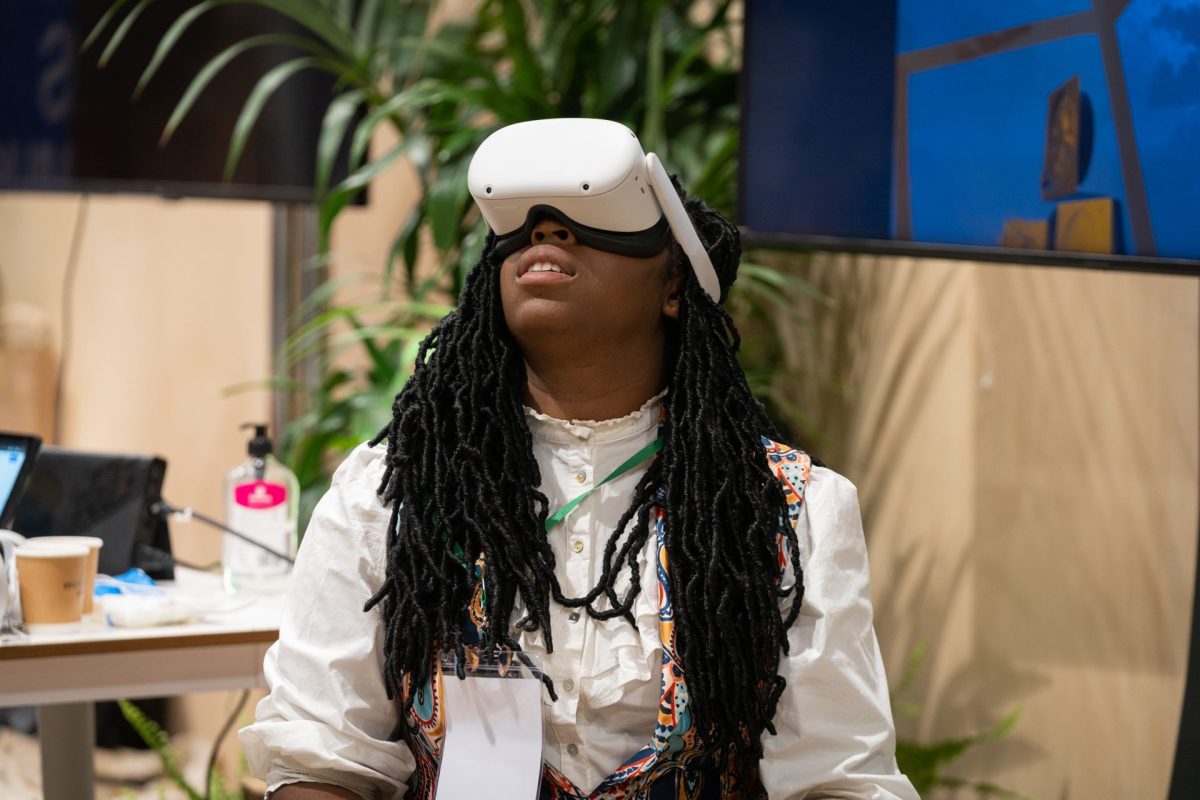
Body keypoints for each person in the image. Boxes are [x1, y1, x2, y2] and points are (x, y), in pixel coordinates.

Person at [239, 119, 917, 800]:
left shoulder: (785, 507)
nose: (547, 232)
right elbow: (320, 757)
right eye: (526, 226)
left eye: (586, 221)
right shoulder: (391, 491)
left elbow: (840, 778)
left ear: (674, 283)